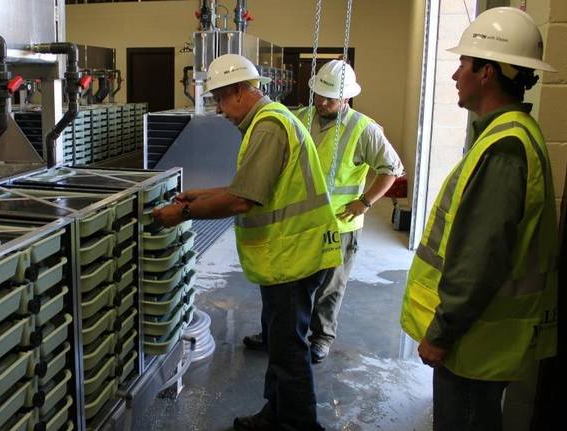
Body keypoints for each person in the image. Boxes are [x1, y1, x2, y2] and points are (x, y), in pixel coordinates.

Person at [152, 53, 342, 431]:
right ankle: (276, 413)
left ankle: (300, 425)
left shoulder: (269, 126)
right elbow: (251, 187)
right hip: (286, 257)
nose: (220, 110)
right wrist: (201, 195)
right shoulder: (267, 123)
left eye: (221, 98)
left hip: (294, 256)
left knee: (288, 350)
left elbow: (244, 199)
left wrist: (183, 214)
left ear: (241, 91)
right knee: (279, 340)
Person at [400, 7, 558, 431]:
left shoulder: (504, 149)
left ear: (487, 73)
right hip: (482, 337)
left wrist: (441, 332)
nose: (455, 75)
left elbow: (479, 258)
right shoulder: (508, 133)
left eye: (464, 64)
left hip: (475, 342)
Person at [242, 60, 405, 363]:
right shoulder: (301, 117)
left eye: (329, 98)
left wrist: (365, 202)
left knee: (331, 286)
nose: (321, 102)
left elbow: (391, 170)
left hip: (339, 226)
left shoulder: (364, 129)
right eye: (317, 95)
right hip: (299, 223)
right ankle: (273, 334)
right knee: (284, 284)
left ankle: (321, 337)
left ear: (346, 98)